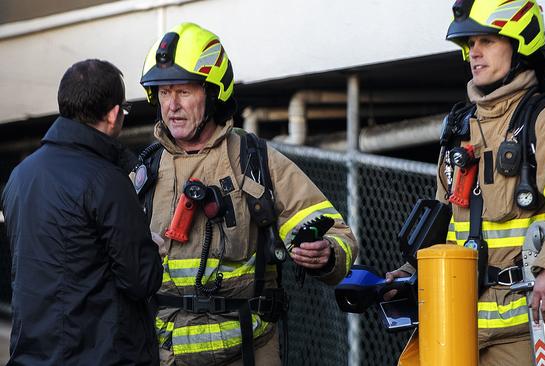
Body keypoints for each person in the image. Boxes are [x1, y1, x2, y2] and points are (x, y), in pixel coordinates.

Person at [386, 1, 545, 364]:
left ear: (521, 45)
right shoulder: (460, 127)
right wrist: (412, 274)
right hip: (451, 320)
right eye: (470, 43)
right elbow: (447, 226)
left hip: (521, 331)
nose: (474, 52)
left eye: (487, 40)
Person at [136, 22, 358, 366]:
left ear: (212, 93)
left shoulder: (254, 160)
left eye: (184, 92)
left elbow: (337, 234)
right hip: (166, 356)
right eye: (164, 93)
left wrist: (326, 253)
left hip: (249, 352)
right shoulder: (146, 171)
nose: (172, 106)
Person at [1, 59, 164, 365]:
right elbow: (141, 280)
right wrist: (150, 246)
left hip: (30, 356)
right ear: (114, 113)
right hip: (98, 356)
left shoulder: (20, 176)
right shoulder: (107, 181)